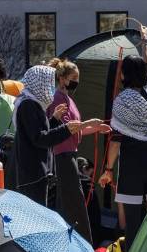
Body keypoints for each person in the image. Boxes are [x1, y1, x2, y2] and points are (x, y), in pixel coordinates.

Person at [99, 26, 147, 245]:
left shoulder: (123, 101)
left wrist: (108, 169)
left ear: (124, 74)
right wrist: (145, 41)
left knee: (133, 220)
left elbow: (116, 140)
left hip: (132, 163)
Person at [10, 65, 93, 206]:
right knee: (35, 215)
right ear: (40, 83)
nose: (52, 87)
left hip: (36, 172)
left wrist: (54, 120)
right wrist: (66, 129)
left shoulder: (33, 104)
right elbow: (40, 138)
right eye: (49, 83)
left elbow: (39, 132)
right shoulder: (29, 105)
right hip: (32, 173)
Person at [47, 58, 108, 241]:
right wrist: (88, 124)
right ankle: (79, 240)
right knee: (73, 201)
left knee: (70, 200)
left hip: (70, 153)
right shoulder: (57, 97)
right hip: (61, 155)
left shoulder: (68, 99)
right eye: (74, 77)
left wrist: (95, 128)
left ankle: (73, 238)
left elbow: (77, 128)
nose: (77, 82)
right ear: (62, 78)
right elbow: (68, 128)